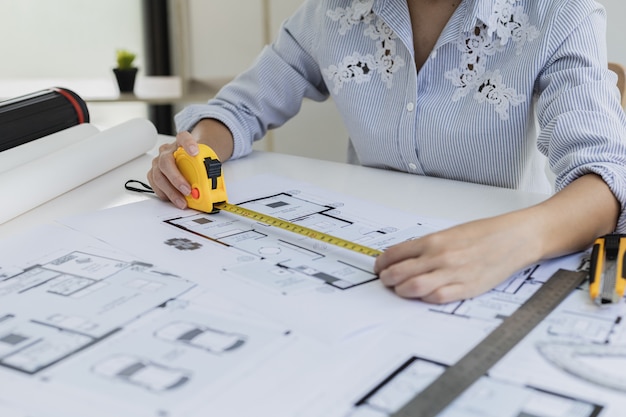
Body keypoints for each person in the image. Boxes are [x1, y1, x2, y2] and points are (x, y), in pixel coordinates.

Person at [148, 0, 626, 304]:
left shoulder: (562, 12)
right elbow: (240, 108)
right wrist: (197, 148)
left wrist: (515, 241)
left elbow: (605, 182)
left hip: (500, 258)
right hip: (366, 257)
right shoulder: (328, 12)